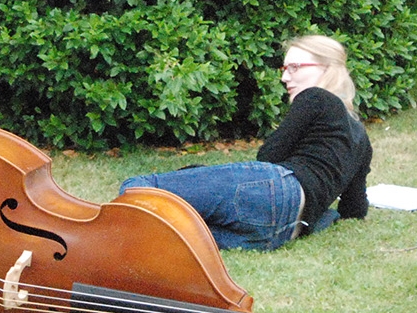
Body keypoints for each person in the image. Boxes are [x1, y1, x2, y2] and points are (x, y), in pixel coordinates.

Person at [118, 35, 371, 250]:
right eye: (285, 70)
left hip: (277, 191)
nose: (285, 78)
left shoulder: (316, 97)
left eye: (295, 67)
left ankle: (104, 230)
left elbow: (269, 156)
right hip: (282, 232)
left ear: (326, 68)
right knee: (174, 235)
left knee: (137, 187)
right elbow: (354, 210)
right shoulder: (361, 137)